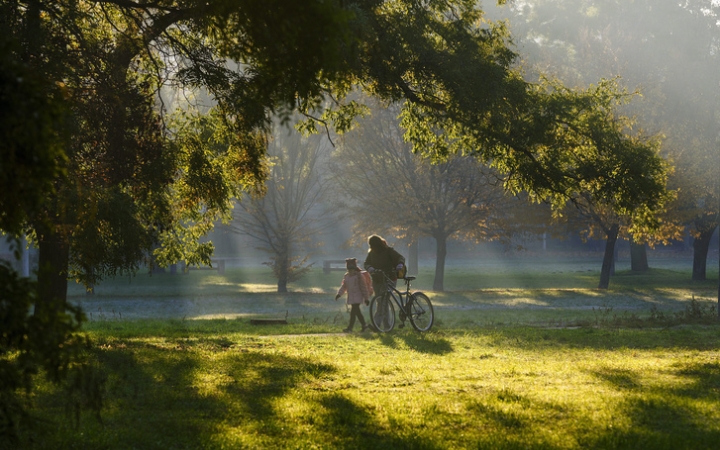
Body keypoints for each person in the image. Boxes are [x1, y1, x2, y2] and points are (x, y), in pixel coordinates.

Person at [363, 235, 407, 327]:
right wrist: (370, 268)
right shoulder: (371, 253)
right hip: (377, 279)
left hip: (389, 278)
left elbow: (400, 258)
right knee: (382, 302)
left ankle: (376, 324)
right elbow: (366, 263)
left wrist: (400, 264)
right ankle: (387, 326)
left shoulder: (389, 251)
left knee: (383, 301)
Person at [334, 258, 371, 332]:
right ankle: (364, 325)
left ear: (355, 269)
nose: (350, 271)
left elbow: (363, 288)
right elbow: (344, 286)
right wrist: (339, 294)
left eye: (352, 269)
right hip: (351, 297)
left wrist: (366, 298)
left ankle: (350, 328)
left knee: (353, 313)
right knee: (358, 313)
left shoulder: (359, 276)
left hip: (358, 297)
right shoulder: (347, 276)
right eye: (349, 270)